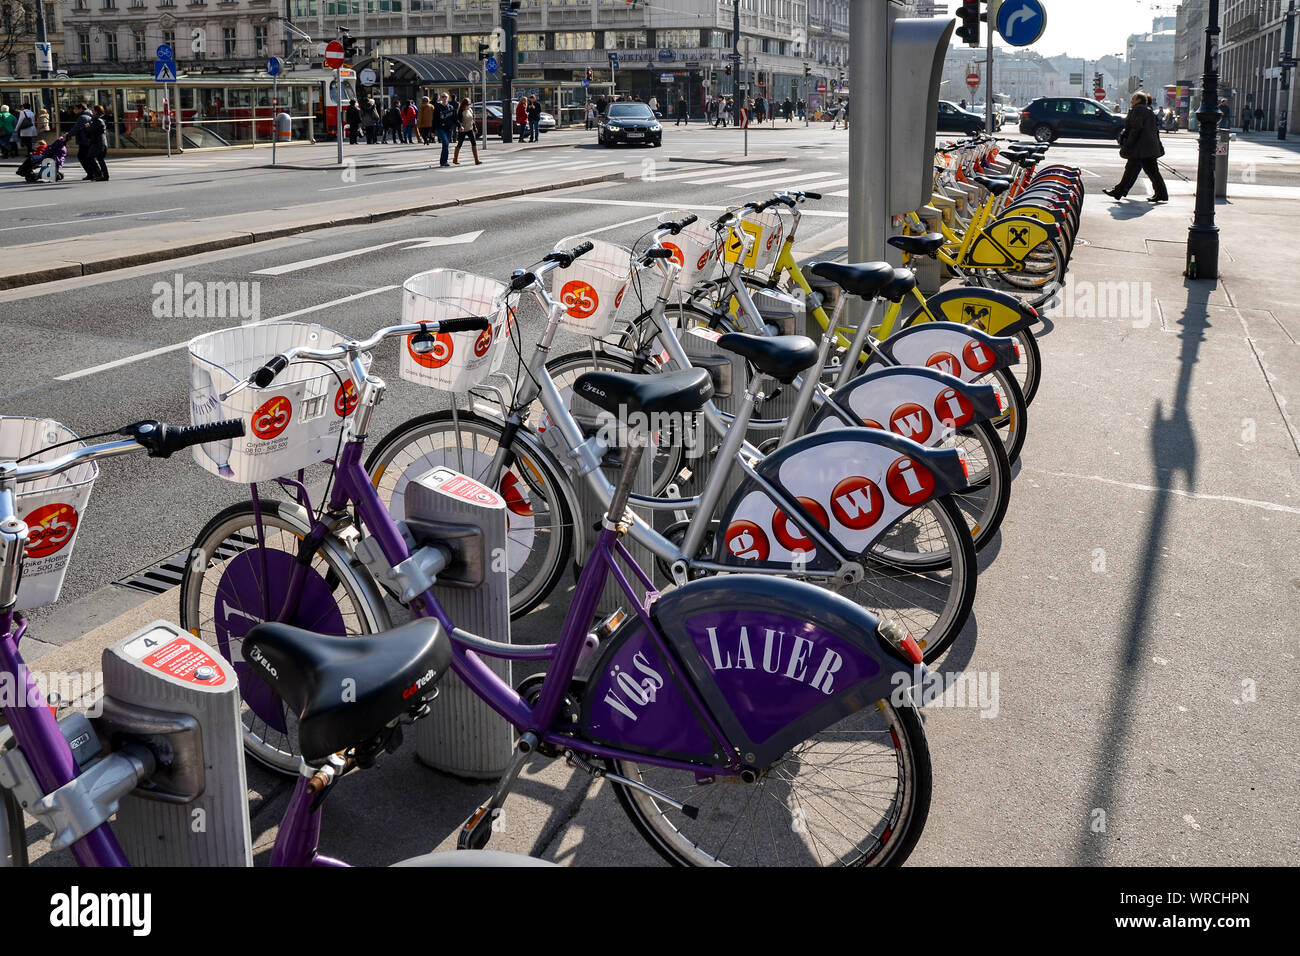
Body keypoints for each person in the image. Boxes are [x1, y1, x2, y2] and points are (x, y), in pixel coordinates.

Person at [1104, 92, 1168, 203]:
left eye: (1133, 99)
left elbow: (1136, 128)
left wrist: (1128, 144)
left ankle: (1161, 193)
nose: (1131, 101)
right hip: (1146, 147)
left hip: (1141, 148)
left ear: (1138, 100)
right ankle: (1119, 191)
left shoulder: (1138, 110)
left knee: (1148, 171)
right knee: (1133, 170)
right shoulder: (1148, 110)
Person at [84, 105, 110, 181]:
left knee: (92, 158)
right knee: (98, 158)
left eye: (93, 110)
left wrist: (87, 126)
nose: (92, 111)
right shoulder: (97, 119)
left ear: (96, 111)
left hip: (98, 142)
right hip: (99, 142)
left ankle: (101, 175)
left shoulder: (98, 120)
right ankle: (102, 175)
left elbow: (92, 130)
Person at [453, 98, 481, 165]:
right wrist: (460, 127)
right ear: (464, 104)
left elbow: (472, 120)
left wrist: (475, 128)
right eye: (468, 104)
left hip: (470, 129)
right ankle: (455, 159)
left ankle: (476, 160)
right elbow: (458, 121)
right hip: (463, 130)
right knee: (460, 143)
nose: (469, 105)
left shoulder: (470, 110)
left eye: (469, 104)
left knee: (474, 143)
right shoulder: (461, 111)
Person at [435, 92, 456, 166]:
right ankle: (444, 161)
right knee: (445, 143)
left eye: (445, 97)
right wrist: (432, 131)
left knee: (446, 145)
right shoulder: (438, 107)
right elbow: (434, 119)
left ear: (448, 98)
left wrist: (460, 126)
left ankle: (443, 161)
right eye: (443, 97)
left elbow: (455, 118)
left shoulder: (451, 107)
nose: (444, 98)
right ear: (441, 98)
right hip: (440, 128)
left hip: (448, 128)